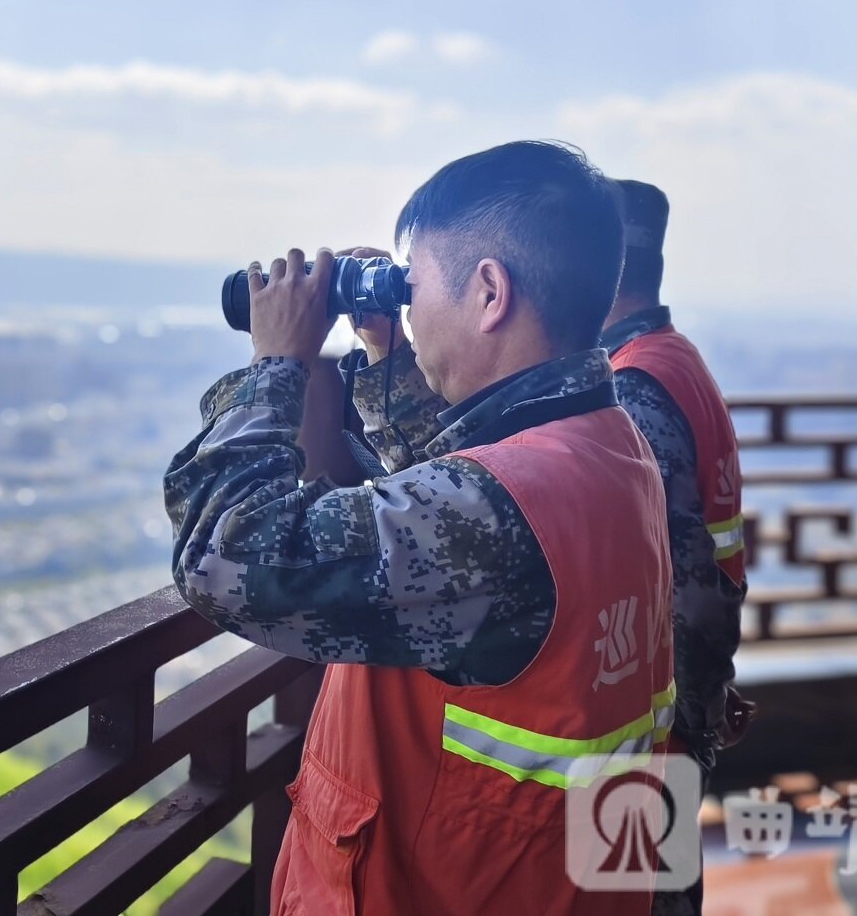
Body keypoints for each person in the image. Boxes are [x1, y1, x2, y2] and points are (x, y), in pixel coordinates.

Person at [164, 141, 675, 915]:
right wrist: (386, 353)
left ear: (490, 292)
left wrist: (276, 365)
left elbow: (224, 559)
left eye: (417, 283)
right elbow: (452, 503)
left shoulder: (498, 508)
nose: (410, 304)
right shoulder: (609, 445)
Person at [600, 180, 754, 915]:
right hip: (682, 696)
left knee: (634, 893)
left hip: (654, 716)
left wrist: (694, 706)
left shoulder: (630, 384)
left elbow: (673, 574)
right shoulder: (672, 357)